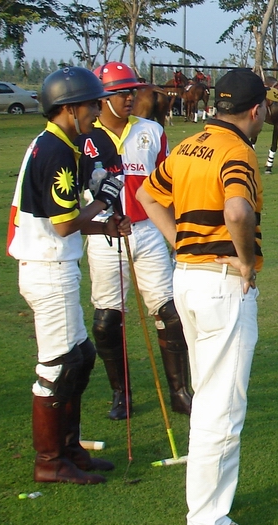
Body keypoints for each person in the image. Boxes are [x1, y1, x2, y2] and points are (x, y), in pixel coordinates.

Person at [137, 68, 275, 525]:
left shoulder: (186, 145)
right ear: (255, 111)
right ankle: (208, 519)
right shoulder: (238, 152)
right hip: (220, 286)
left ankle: (205, 503)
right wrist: (245, 262)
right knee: (223, 404)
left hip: (187, 280)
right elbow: (238, 210)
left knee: (206, 396)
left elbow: (145, 196)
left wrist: (181, 243)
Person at [7, 66, 132, 485]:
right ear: (69, 107)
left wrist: (103, 223)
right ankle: (49, 460)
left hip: (57, 264)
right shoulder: (56, 151)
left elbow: (69, 219)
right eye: (92, 105)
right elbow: (63, 223)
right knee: (58, 365)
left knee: (80, 357)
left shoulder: (63, 144)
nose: (96, 113)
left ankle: (70, 448)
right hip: (48, 267)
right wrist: (104, 203)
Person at [78, 61, 193, 420]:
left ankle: (180, 392)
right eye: (120, 93)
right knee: (108, 319)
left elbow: (168, 184)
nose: (130, 98)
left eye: (131, 91)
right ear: (102, 97)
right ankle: (121, 394)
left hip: (147, 231)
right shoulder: (84, 137)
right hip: (104, 233)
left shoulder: (151, 131)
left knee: (169, 313)